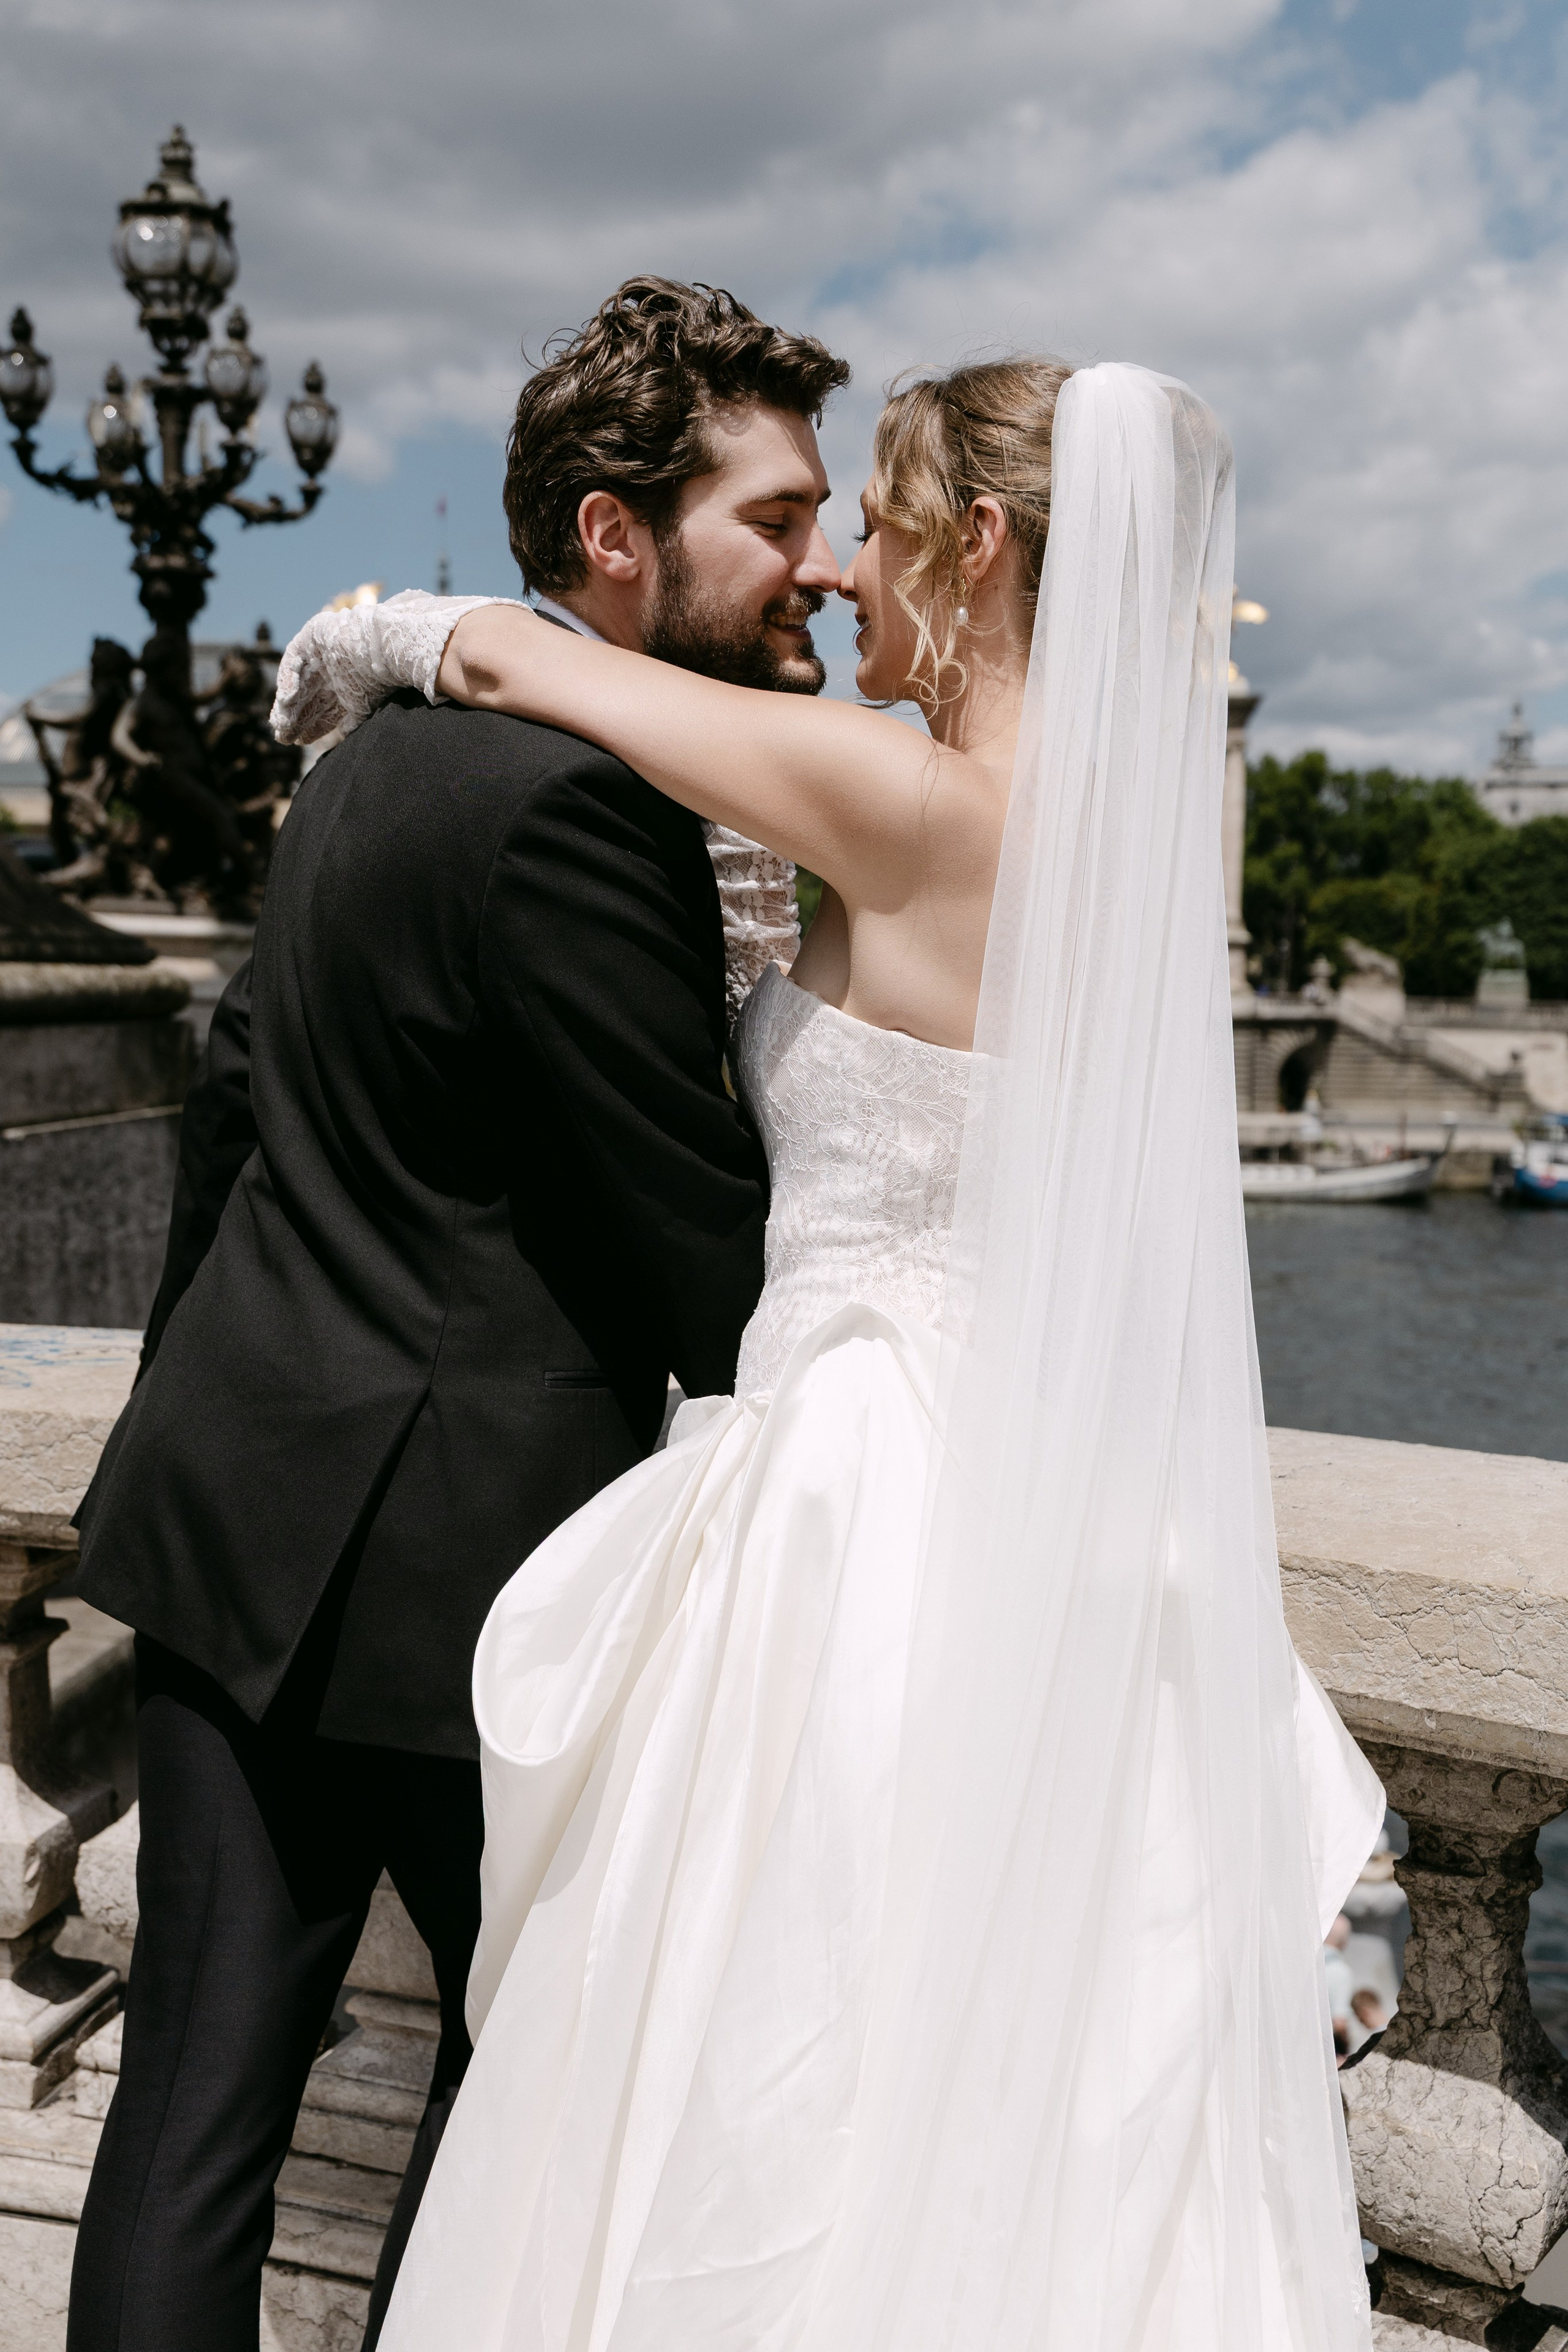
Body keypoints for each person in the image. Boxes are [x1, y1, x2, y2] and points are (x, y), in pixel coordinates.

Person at [279, 358, 1386, 2349]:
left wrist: (368, 640)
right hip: (1027, 1511)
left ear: (978, 546)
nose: (841, 572)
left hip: (863, 1512)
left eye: (872, 525)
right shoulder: (1110, 840)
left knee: (763, 2060)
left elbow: (541, 670)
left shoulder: (919, 801)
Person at [64, 277, 849, 2352]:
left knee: (191, 2110)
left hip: (239, 1518)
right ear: (616, 535)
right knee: (528, 2113)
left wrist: (181, 1428)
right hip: (470, 1581)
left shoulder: (365, 762)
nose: (818, 563)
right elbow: (702, 1243)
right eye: (775, 519)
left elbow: (231, 1114)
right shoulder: (586, 809)